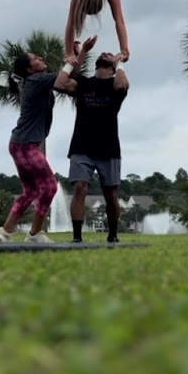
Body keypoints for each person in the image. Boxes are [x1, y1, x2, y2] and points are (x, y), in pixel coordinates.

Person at [0, 39, 95, 245]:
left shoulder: (38, 80)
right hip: (25, 145)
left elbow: (69, 77)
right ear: (30, 70)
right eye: (36, 59)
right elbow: (63, 78)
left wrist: (80, 54)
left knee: (31, 191)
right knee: (49, 187)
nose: (41, 58)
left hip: (21, 144)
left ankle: (6, 231)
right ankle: (34, 233)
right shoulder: (35, 81)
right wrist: (71, 58)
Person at [54, 46, 129, 244]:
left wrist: (119, 63)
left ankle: (113, 235)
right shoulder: (84, 83)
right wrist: (75, 58)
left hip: (108, 147)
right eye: (103, 54)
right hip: (82, 146)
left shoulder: (116, 84)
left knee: (111, 194)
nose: (105, 53)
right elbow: (60, 84)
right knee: (80, 187)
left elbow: (123, 85)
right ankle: (77, 237)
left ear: (113, 65)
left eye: (110, 54)